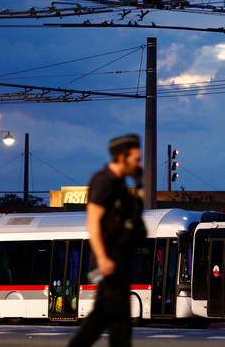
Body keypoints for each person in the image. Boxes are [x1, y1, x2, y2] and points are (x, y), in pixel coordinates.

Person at [69, 134, 146, 347]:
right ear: (122, 157)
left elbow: (136, 218)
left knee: (98, 320)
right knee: (120, 323)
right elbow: (93, 222)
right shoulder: (104, 182)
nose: (139, 164)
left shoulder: (122, 187)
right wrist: (102, 258)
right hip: (111, 259)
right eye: (136, 159)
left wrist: (140, 185)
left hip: (121, 261)